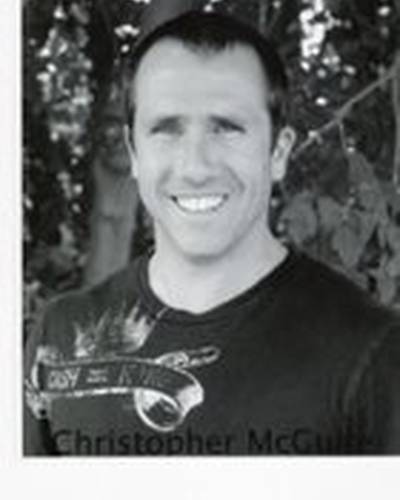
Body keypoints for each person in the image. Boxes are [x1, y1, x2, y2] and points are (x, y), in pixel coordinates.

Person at [24, 10, 400, 456]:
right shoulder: (60, 336)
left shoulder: (373, 351)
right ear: (134, 153)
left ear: (278, 152)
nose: (196, 167)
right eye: (166, 130)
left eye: (227, 128)